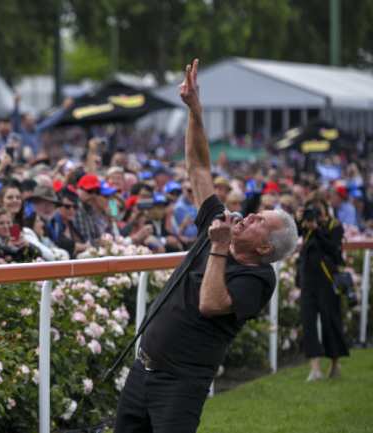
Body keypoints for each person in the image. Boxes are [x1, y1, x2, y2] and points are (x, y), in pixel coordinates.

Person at [115, 59, 299, 433]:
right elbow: (198, 167)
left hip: (181, 384)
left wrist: (217, 247)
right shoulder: (221, 224)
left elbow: (212, 303)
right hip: (144, 368)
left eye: (259, 222)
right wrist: (195, 113)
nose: (248, 217)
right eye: (255, 213)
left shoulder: (258, 277)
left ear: (265, 248)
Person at [296, 198, 348, 381]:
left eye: (318, 210)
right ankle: (315, 368)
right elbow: (294, 234)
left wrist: (317, 230)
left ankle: (334, 364)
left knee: (330, 322)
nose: (315, 214)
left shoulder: (335, 226)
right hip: (308, 281)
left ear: (326, 210)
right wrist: (299, 219)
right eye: (312, 210)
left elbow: (333, 249)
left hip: (327, 280)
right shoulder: (306, 227)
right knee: (308, 322)